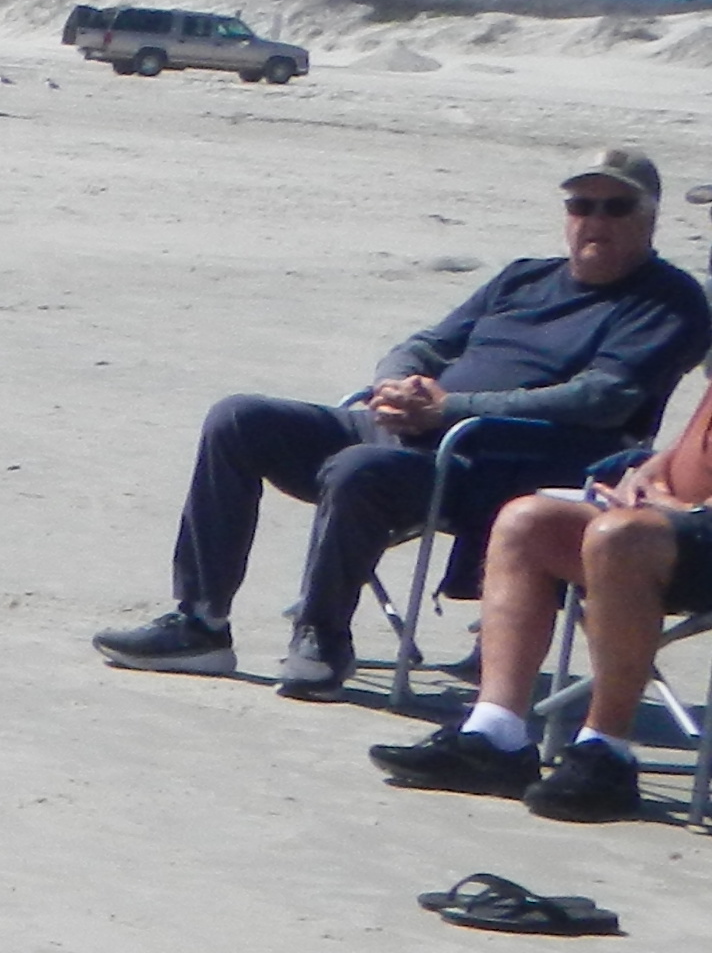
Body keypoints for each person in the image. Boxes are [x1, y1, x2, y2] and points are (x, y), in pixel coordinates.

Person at [96, 150, 707, 697]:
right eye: (581, 204)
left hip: (497, 463)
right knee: (239, 418)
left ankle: (321, 639)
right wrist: (399, 381)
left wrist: (450, 410)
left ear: (649, 216)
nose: (594, 220)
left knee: (360, 468)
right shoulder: (524, 276)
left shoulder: (666, 301)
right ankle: (202, 622)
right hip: (413, 426)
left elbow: (600, 400)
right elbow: (430, 343)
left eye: (615, 206)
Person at [372, 372, 712, 821]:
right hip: (668, 529)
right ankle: (496, 734)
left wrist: (684, 510)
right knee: (525, 521)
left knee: (618, 537)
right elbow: (691, 450)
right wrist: (646, 474)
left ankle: (605, 753)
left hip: (683, 533)